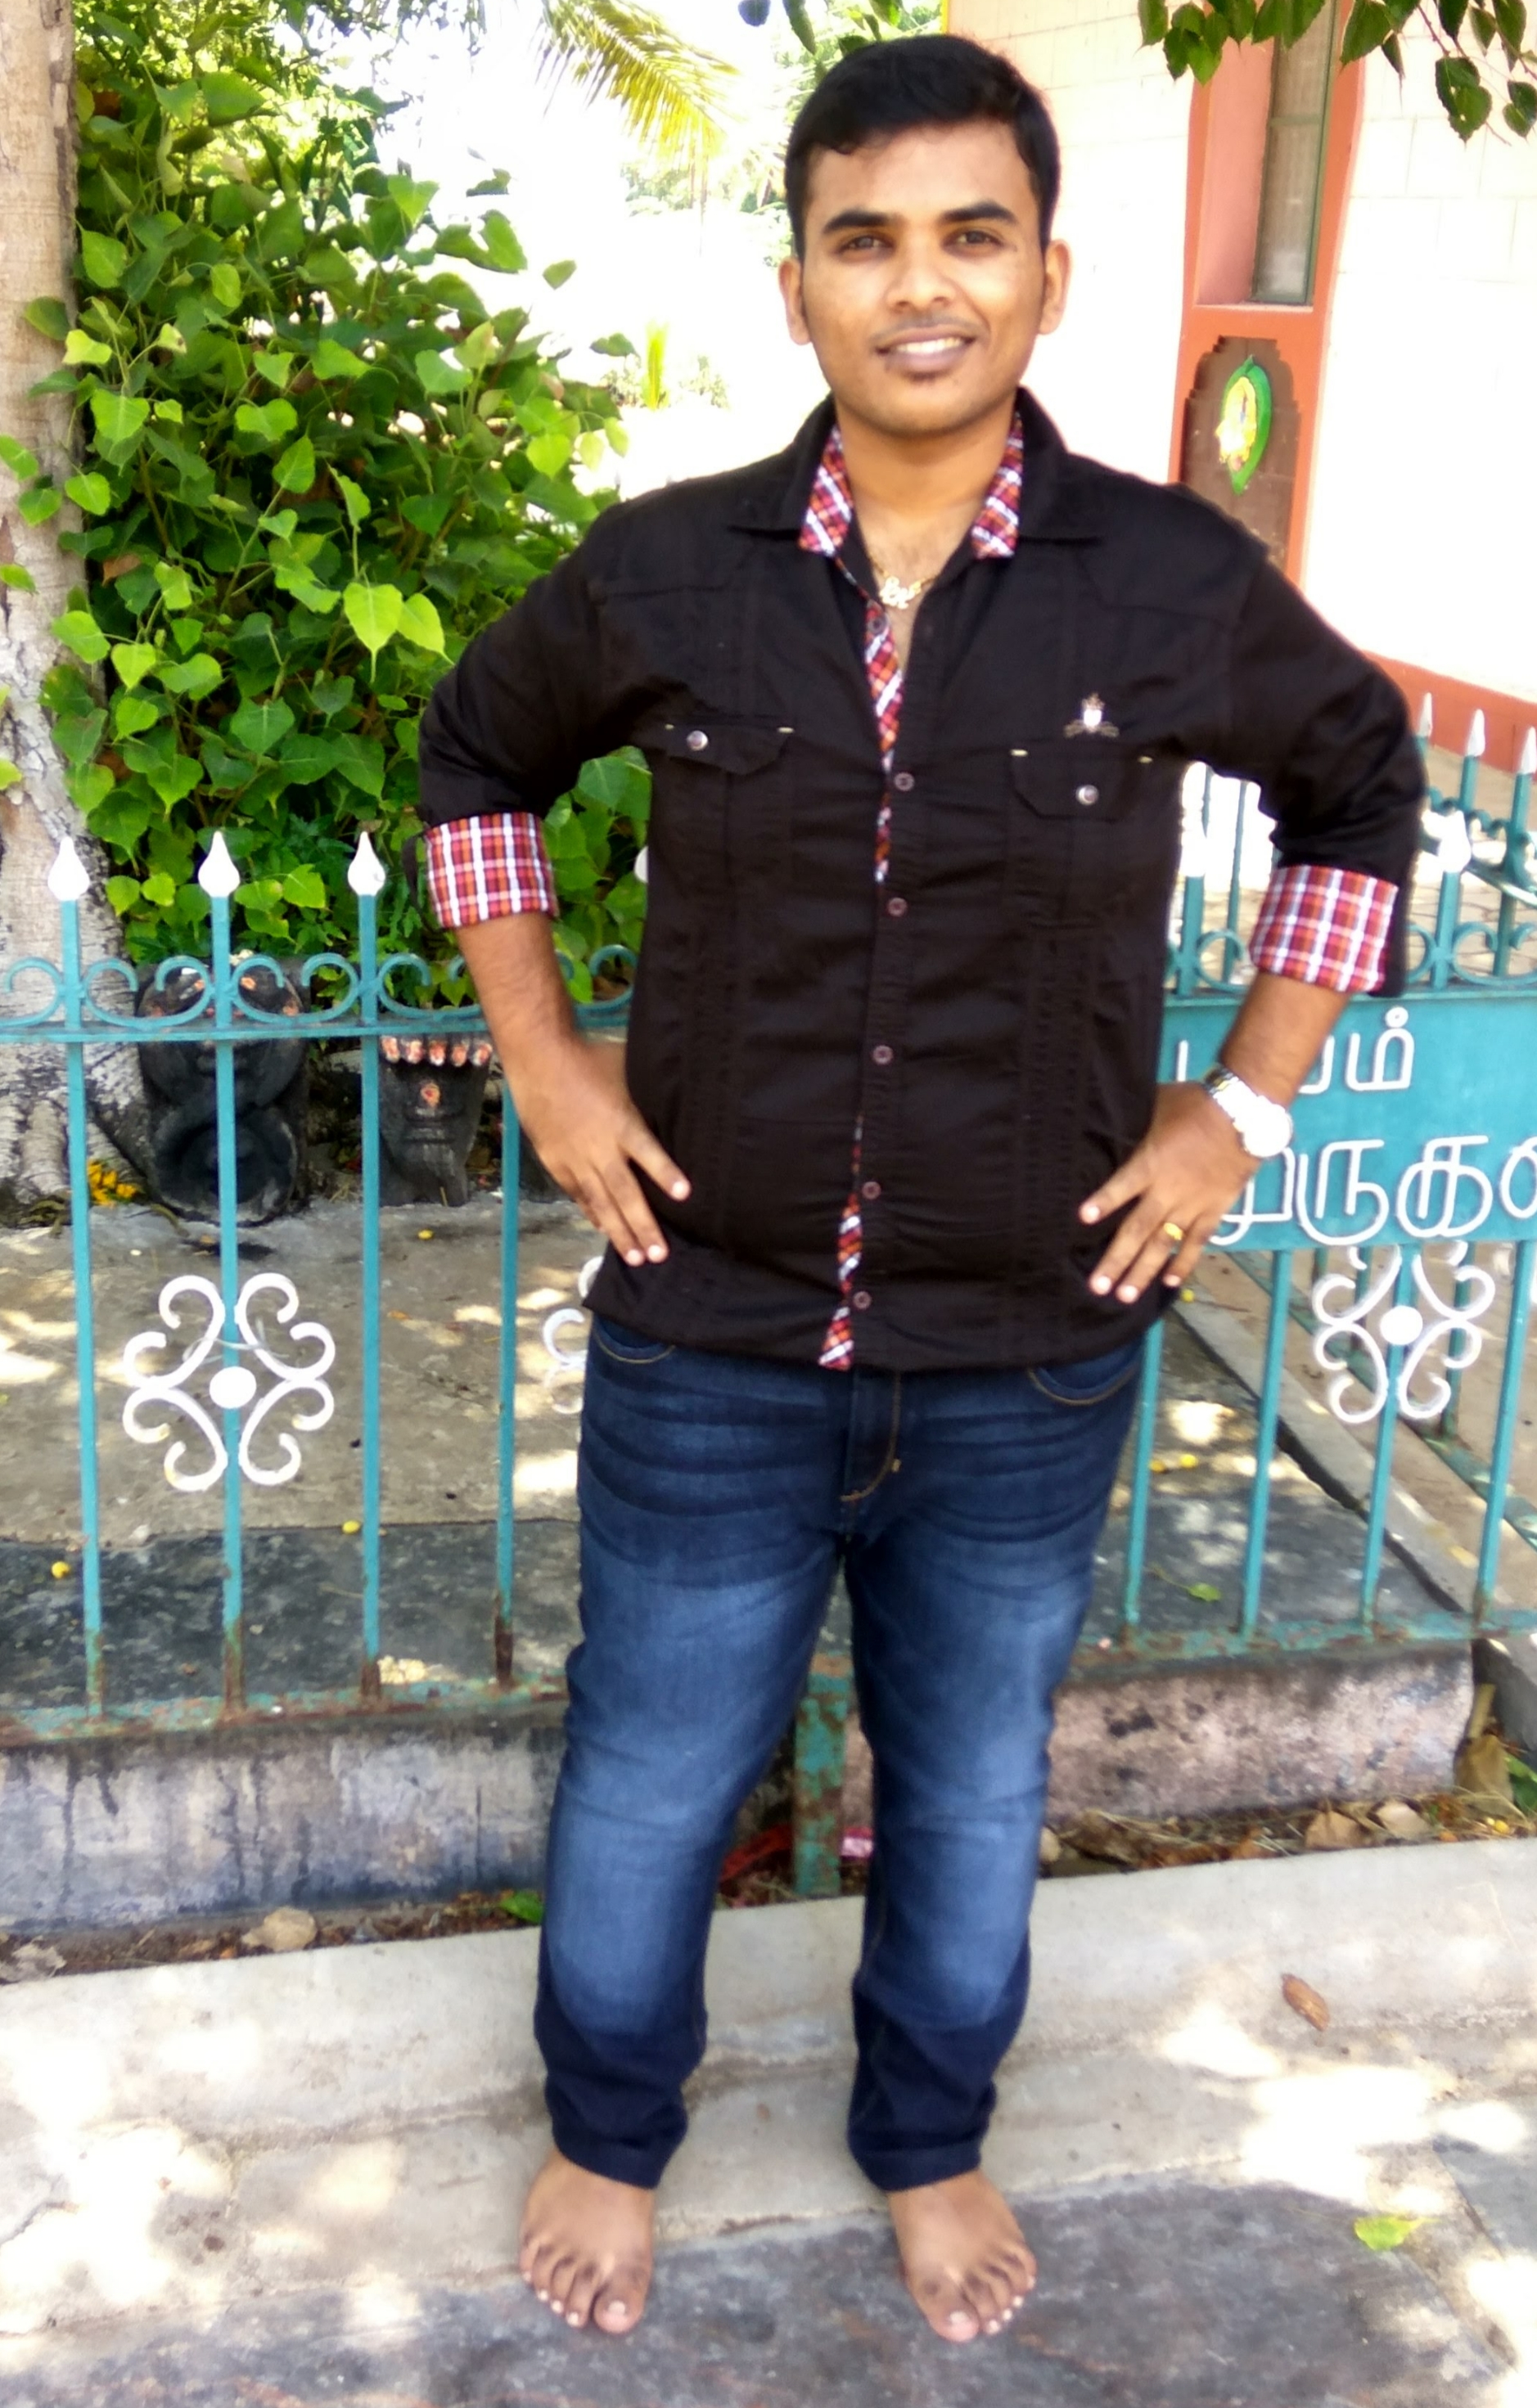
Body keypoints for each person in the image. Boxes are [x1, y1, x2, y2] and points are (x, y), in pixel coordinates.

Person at [417, 34, 1422, 2345]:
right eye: (864, 240)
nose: (920, 284)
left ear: (1051, 278)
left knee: (966, 1790)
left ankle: (933, 2141)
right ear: (799, 288)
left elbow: (1366, 792)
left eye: (973, 235)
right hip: (715, 1327)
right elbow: (475, 755)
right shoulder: (668, 573)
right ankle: (607, 2131)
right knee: (653, 1775)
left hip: (1026, 1351)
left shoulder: (1167, 585)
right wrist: (544, 1057)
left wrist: (1238, 1110)